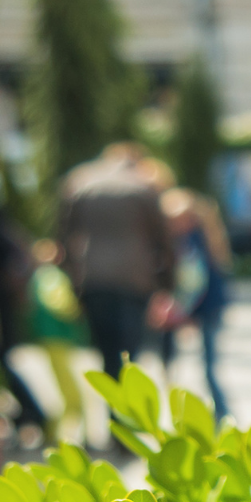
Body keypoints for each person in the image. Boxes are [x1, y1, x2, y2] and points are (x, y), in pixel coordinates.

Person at [58, 142, 174, 400]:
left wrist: (72, 280)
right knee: (129, 355)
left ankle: (113, 413)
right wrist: (167, 285)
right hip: (134, 280)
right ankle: (125, 416)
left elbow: (64, 237)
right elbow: (163, 240)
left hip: (93, 279)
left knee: (106, 354)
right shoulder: (141, 186)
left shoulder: (81, 182)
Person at [0, 170, 48, 444]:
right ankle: (26, 415)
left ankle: (31, 414)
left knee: (1, 362)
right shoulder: (1, 225)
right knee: (1, 362)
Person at [155, 188, 232, 421]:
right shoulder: (207, 238)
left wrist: (182, 310)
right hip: (206, 305)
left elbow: (193, 280)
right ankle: (218, 412)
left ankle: (219, 413)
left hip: (202, 305)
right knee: (205, 365)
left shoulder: (192, 241)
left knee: (206, 366)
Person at [26, 240, 89, 444]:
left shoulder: (39, 276)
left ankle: (60, 433)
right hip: (57, 336)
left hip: (53, 337)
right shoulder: (51, 276)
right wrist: (76, 311)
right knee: (72, 394)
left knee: (66, 389)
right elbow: (57, 302)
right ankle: (60, 435)